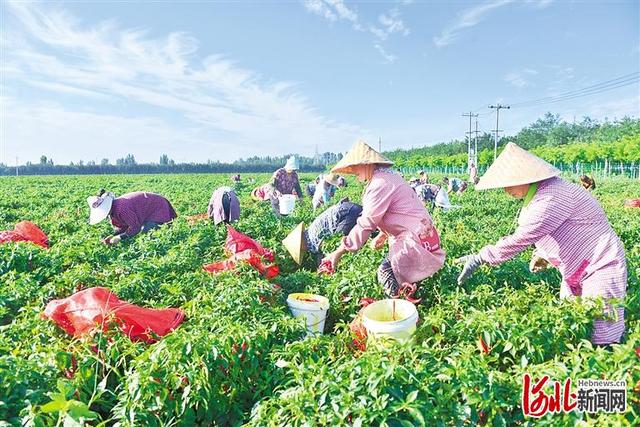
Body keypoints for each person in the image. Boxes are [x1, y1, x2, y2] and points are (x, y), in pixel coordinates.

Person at [456, 143, 627, 346]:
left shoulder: (552, 196)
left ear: (526, 178)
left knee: (603, 332)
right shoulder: (543, 193)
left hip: (601, 266)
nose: (505, 190)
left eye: (509, 183)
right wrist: (543, 254)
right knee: (572, 324)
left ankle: (608, 374)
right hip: (577, 270)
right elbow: (555, 230)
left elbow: (524, 236)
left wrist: (480, 258)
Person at [321, 140, 445, 297]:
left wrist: (338, 252)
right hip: (427, 236)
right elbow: (401, 212)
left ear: (366, 164)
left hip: (415, 240)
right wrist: (384, 234)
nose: (354, 172)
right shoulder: (389, 178)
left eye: (355, 167)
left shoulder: (380, 183)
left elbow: (366, 223)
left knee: (386, 272)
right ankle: (410, 308)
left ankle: (399, 314)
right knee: (405, 284)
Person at [283, 198, 363, 266]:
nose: (304, 250)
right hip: (349, 208)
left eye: (301, 250)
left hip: (347, 215)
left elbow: (324, 255)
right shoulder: (310, 231)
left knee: (339, 247)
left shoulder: (310, 241)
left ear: (301, 244)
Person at [87, 189, 177, 245]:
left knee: (148, 235)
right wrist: (113, 236)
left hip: (157, 207)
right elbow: (125, 226)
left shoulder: (121, 208)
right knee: (144, 235)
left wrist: (120, 237)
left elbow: (135, 227)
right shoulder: (114, 210)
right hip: (150, 208)